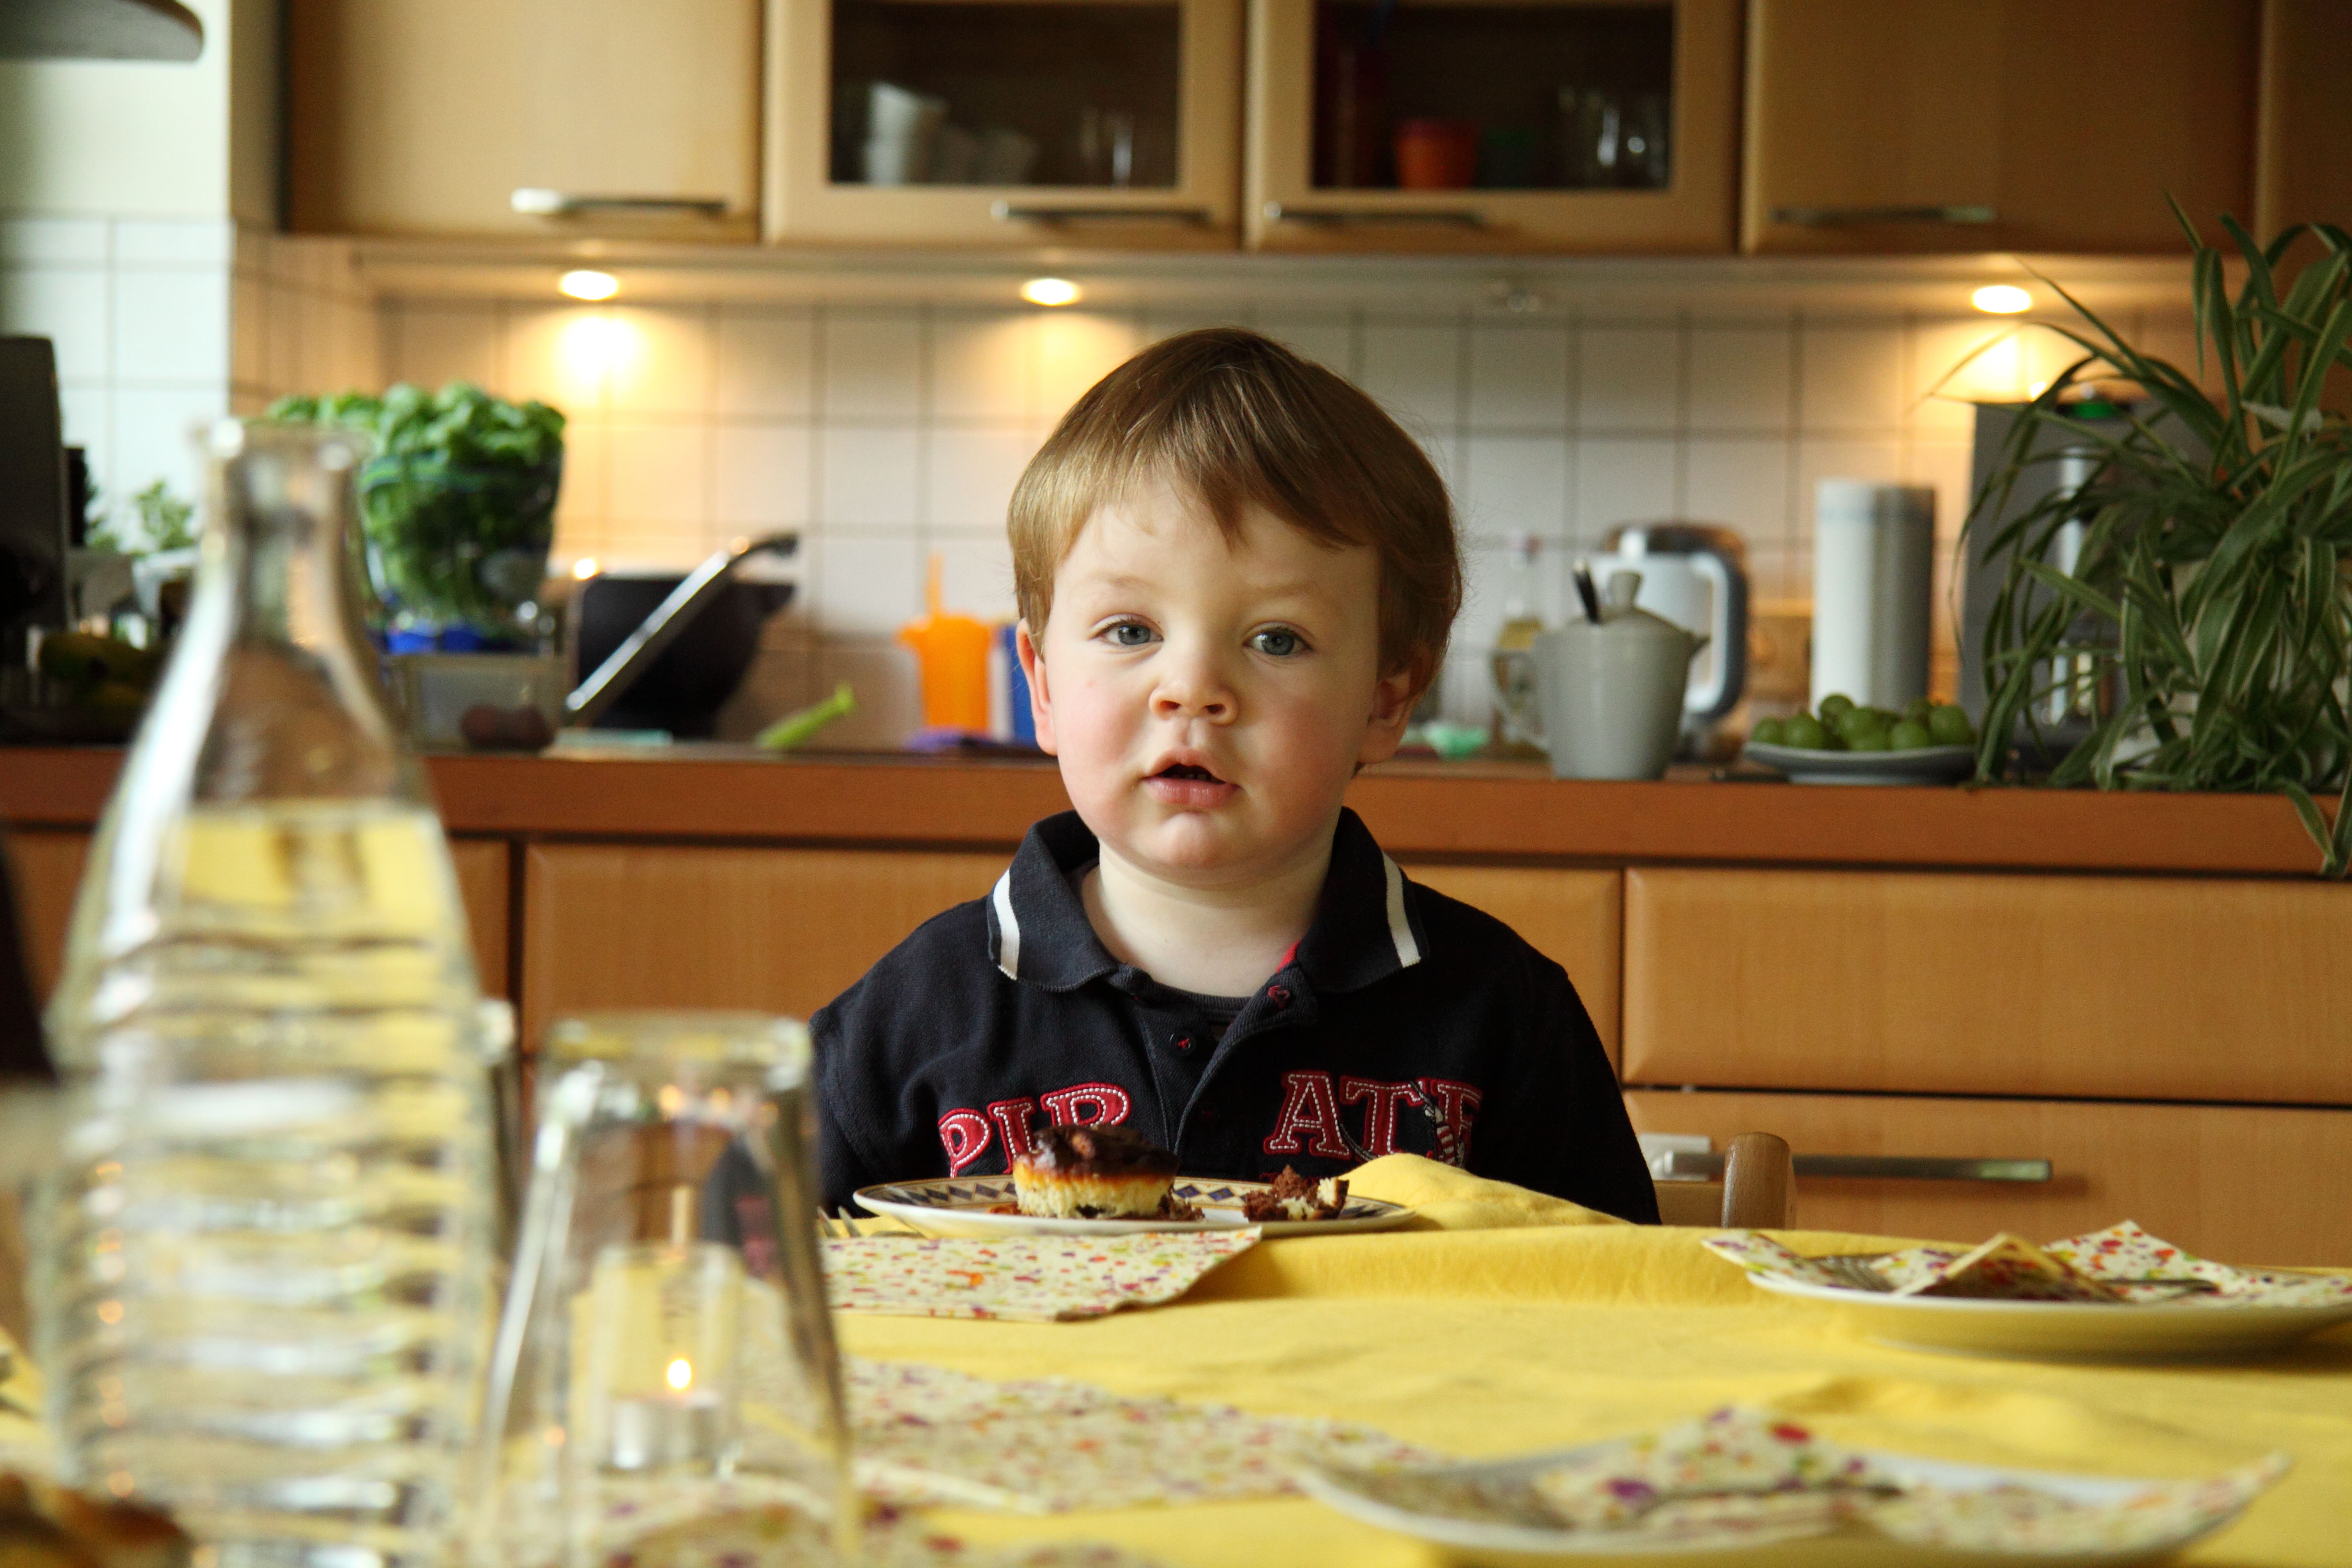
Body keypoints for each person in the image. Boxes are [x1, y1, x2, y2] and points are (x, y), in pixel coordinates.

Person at [814, 328, 1657, 1223]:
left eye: (1276, 640)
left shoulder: (1504, 1016)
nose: (1192, 689)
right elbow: (759, 1273)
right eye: (1131, 631)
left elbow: (1615, 1288)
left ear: (1387, 696)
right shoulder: (912, 1017)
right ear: (1044, 685)